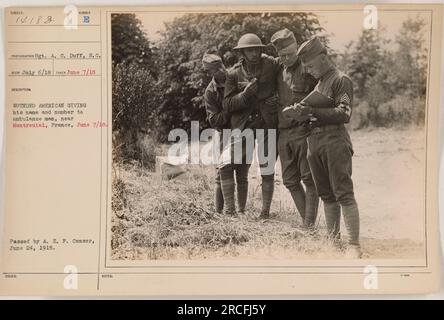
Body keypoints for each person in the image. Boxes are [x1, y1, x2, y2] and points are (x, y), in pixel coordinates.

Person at [284, 37, 361, 257]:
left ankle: (354, 245)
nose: (307, 71)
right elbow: (312, 116)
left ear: (324, 58)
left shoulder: (340, 80)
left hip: (335, 141)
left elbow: (345, 113)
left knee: (343, 193)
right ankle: (333, 242)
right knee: (326, 195)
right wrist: (300, 112)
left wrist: (312, 112)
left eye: (310, 65)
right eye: (305, 66)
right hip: (314, 143)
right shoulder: (318, 85)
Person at [223, 33, 280, 218]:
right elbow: (227, 104)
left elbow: (287, 76)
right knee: (228, 164)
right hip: (243, 126)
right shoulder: (233, 73)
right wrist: (244, 95)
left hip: (266, 123)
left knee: (267, 168)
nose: (254, 53)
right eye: (249, 50)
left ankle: (265, 213)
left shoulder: (271, 64)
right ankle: (232, 211)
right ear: (242, 53)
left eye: (256, 49)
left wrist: (278, 99)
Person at [270, 28, 319, 228]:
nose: (287, 59)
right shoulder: (276, 70)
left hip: (304, 131)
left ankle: (308, 224)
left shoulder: (308, 69)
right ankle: (308, 222)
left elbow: (323, 94)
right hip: (284, 133)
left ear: (296, 49)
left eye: (290, 54)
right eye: (282, 56)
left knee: (309, 179)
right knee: (290, 181)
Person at [202, 53, 230, 214]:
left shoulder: (234, 79)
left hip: (242, 131)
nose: (208, 74)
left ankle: (238, 211)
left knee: (242, 174)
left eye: (210, 70)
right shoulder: (210, 91)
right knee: (221, 173)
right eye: (208, 71)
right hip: (223, 133)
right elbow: (214, 120)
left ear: (222, 66)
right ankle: (219, 212)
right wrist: (231, 108)